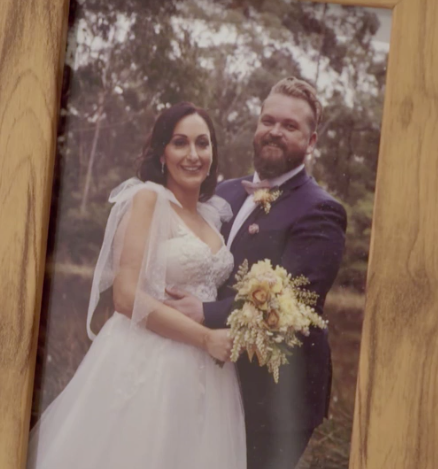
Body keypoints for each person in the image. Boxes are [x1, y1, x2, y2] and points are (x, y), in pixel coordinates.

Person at [26, 102, 247, 469]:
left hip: (208, 376)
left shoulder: (212, 215)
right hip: (150, 362)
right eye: (180, 143)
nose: (193, 155)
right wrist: (206, 338)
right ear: (162, 152)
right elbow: (125, 296)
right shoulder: (147, 199)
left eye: (202, 143)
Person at [166, 77, 348, 468]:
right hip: (208, 375)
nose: (275, 132)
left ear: (312, 141)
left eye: (290, 126)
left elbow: (292, 301)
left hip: (276, 397)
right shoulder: (224, 192)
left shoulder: (321, 210)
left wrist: (204, 312)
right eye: (268, 121)